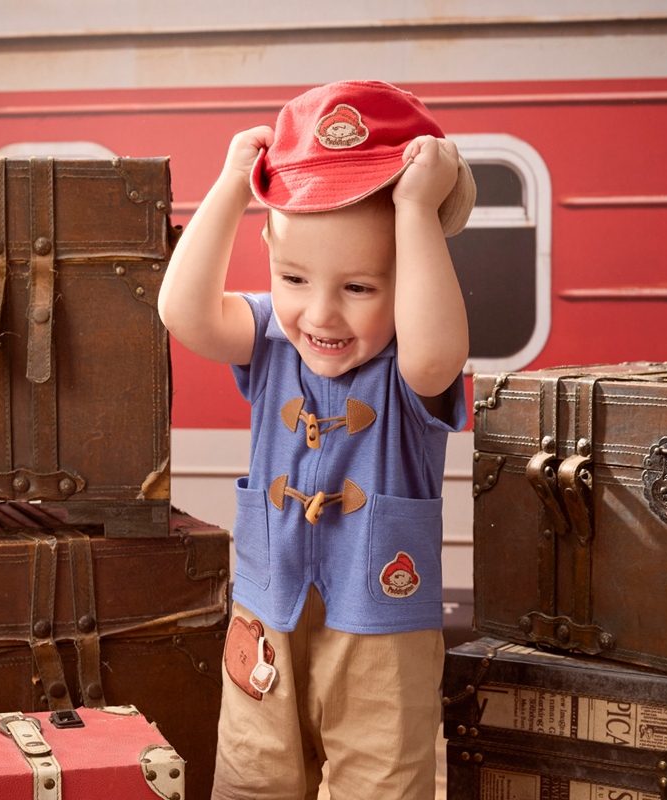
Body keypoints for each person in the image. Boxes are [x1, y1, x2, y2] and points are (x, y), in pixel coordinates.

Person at [158, 80, 475, 800]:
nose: (321, 314)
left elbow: (436, 357)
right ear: (269, 255)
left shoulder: (412, 363)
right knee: (252, 778)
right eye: (294, 278)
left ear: (412, 276)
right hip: (266, 610)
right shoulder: (271, 334)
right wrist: (233, 187)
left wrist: (415, 210)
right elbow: (184, 312)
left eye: (360, 288)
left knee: (381, 785)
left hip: (382, 629)